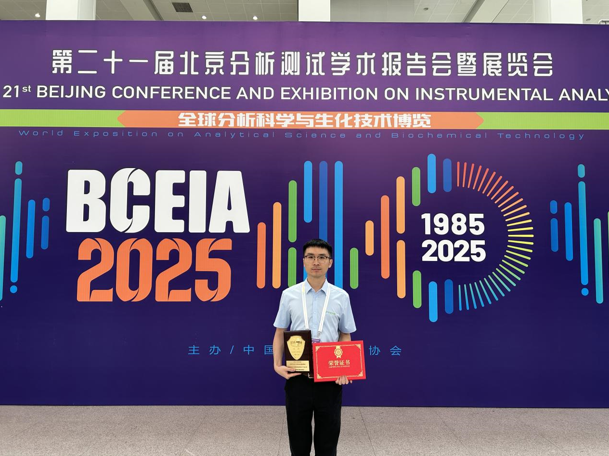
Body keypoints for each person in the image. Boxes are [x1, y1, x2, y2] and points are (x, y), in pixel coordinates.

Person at [273, 238, 357, 456]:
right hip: (297, 376)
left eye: (322, 257)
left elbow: (345, 334)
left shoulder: (341, 297)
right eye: (310, 257)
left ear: (330, 262)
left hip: (329, 380)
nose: (316, 262)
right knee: (298, 442)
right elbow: (280, 332)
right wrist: (277, 365)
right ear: (303, 261)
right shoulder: (289, 295)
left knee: (327, 443)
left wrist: (343, 367)